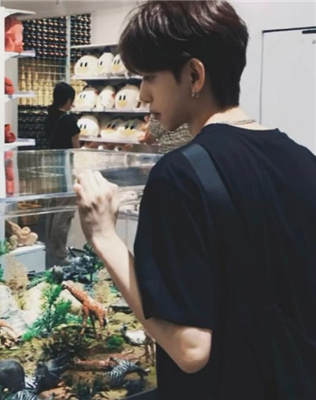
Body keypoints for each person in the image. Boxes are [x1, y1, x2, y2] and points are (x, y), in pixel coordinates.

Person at [73, 2, 316, 399]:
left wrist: (103, 236)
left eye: (150, 77)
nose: (142, 95)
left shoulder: (180, 174)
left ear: (194, 75)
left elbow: (190, 349)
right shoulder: (303, 158)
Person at [44, 82, 80, 268]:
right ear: (68, 99)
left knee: (52, 210)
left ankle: (50, 250)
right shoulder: (69, 121)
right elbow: (76, 149)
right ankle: (59, 254)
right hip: (66, 169)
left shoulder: (49, 118)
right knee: (64, 213)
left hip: (50, 167)